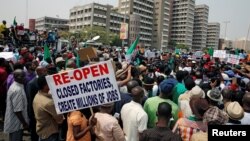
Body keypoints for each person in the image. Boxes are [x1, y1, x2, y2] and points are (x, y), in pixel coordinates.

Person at [33, 75, 64, 141]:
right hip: (50, 133)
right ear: (45, 86)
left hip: (42, 131)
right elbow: (59, 119)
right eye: (49, 82)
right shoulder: (48, 103)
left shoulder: (37, 96)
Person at [4, 69, 29, 141]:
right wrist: (24, 123)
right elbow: (17, 110)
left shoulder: (17, 85)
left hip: (14, 121)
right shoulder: (17, 90)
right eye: (22, 76)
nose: (24, 78)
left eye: (24, 76)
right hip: (16, 123)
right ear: (16, 77)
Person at [27, 66, 47, 141]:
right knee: (35, 133)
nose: (46, 72)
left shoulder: (47, 79)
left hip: (45, 113)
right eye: (44, 71)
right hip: (36, 113)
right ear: (38, 72)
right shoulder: (32, 84)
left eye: (46, 71)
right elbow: (30, 101)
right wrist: (31, 116)